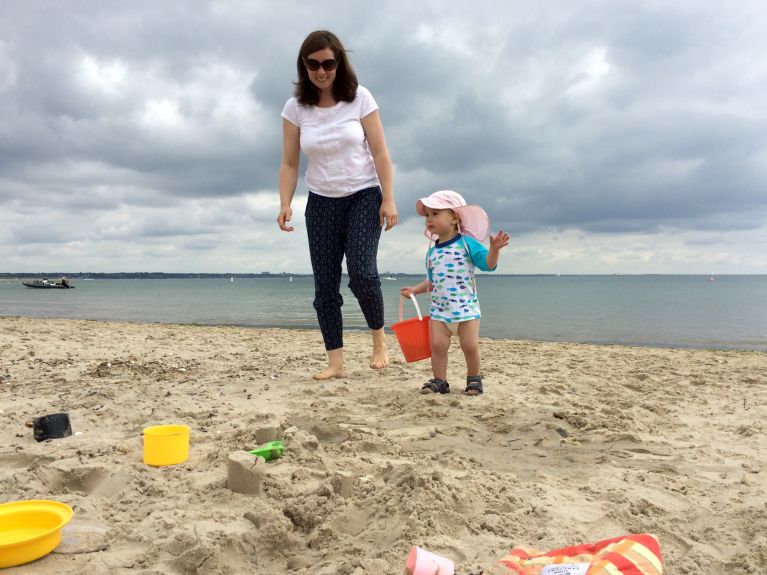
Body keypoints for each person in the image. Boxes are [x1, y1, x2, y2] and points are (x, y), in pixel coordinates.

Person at [277, 30, 398, 380]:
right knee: (325, 286)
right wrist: (285, 202)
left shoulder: (360, 98)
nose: (321, 71)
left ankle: (379, 339)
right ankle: (336, 361)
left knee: (361, 273)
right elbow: (288, 163)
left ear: (339, 63)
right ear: (304, 65)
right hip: (321, 202)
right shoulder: (295, 107)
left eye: (328, 63)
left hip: (363, 194)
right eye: (313, 64)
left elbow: (380, 152)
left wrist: (388, 197)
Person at [401, 190, 509, 396]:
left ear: (454, 218)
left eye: (435, 213)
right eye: (427, 215)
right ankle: (440, 381)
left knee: (469, 346)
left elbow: (488, 265)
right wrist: (415, 290)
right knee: (438, 347)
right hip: (440, 311)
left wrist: (494, 250)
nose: (429, 219)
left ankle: (474, 379)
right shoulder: (433, 251)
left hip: (466, 309)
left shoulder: (467, 245)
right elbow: (432, 282)